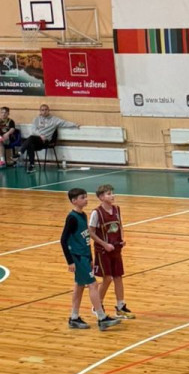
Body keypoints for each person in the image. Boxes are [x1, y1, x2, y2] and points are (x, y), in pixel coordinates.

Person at [60, 188, 122, 332]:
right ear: (74, 201)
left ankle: (74, 317)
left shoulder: (83, 215)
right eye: (82, 197)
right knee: (93, 285)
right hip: (77, 256)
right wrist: (70, 261)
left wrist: (89, 257)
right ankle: (101, 317)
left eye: (86, 197)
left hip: (84, 256)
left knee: (79, 286)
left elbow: (86, 239)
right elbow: (63, 240)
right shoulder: (72, 218)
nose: (86, 199)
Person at [88, 184, 134, 319]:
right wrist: (104, 244)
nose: (112, 195)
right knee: (107, 278)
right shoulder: (96, 213)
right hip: (103, 250)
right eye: (109, 194)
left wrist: (122, 239)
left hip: (116, 249)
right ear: (101, 197)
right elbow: (91, 232)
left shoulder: (117, 209)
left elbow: (120, 226)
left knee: (118, 277)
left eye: (112, 193)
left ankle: (120, 306)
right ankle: (97, 305)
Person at [22, 103, 79, 171]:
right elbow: (33, 130)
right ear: (40, 111)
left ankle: (20, 152)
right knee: (30, 144)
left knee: (31, 138)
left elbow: (64, 123)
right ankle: (32, 165)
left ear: (48, 110)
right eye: (42, 110)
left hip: (45, 141)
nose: (44, 111)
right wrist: (40, 135)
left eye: (46, 110)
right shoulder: (36, 119)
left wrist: (74, 125)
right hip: (37, 140)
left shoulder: (54, 120)